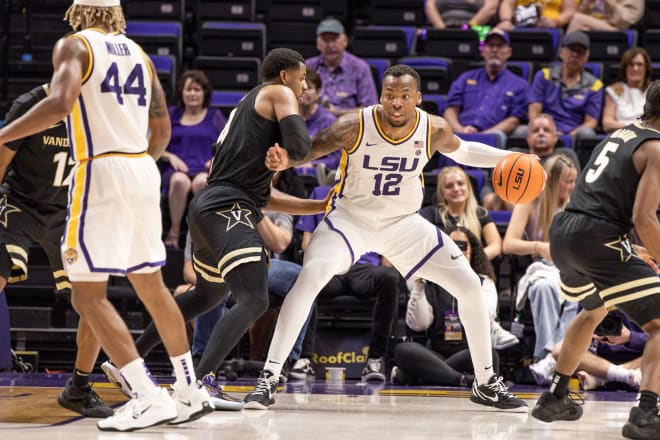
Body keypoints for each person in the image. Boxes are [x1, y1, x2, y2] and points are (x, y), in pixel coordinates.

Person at [244, 64, 528, 411]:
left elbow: (465, 151)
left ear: (418, 99)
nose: (396, 103)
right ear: (380, 96)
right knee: (311, 276)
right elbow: (308, 151)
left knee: (469, 285)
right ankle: (269, 378)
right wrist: (282, 159)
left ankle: (486, 383)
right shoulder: (352, 125)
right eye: (389, 96)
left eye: (404, 97)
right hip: (350, 220)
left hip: (403, 224)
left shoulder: (433, 129)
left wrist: (511, 157)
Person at [0, 0, 214, 431]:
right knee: (152, 288)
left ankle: (148, 393)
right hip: (140, 169)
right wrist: (135, 164)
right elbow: (162, 134)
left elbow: (60, 104)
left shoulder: (74, 46)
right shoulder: (141, 55)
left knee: (86, 296)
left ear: (77, 11)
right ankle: (189, 391)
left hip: (99, 168)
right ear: (115, 14)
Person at [530, 80, 660, 440]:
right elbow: (644, 218)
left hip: (563, 233)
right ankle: (646, 413)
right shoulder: (655, 148)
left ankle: (556, 395)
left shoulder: (620, 134)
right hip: (597, 237)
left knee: (593, 311)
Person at [0, 84, 112, 418]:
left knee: (93, 299)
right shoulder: (30, 105)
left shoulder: (98, 109)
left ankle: (78, 387)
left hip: (69, 209)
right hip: (21, 203)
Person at [293, 185, 404, 382]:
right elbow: (305, 243)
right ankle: (304, 359)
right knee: (307, 278)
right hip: (331, 265)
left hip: (363, 268)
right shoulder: (320, 193)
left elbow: (386, 248)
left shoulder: (375, 197)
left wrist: (391, 263)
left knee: (389, 278)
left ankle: (375, 359)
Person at [418, 168, 518, 349]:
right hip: (439, 269)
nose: (456, 189)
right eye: (449, 186)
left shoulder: (480, 214)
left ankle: (491, 327)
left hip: (472, 269)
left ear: (469, 188)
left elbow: (496, 245)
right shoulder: (430, 214)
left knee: (484, 279)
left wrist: (469, 261)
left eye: (460, 184)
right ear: (442, 192)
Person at [392, 226, 503, 386]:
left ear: (471, 252)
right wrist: (418, 286)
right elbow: (419, 325)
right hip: (434, 353)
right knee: (404, 350)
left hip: (468, 352)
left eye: (462, 247)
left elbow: (486, 317)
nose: (457, 251)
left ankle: (423, 376)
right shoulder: (429, 281)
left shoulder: (484, 282)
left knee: (491, 356)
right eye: (452, 245)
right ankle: (461, 380)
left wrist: (465, 282)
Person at [503, 155, 579, 380]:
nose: (571, 187)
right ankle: (546, 355)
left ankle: (555, 358)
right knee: (542, 288)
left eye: (574, 181)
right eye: (567, 181)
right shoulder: (529, 201)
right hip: (543, 265)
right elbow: (509, 243)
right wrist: (538, 246)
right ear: (552, 180)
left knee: (576, 294)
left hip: (571, 266)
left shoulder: (575, 204)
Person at [160, 69, 226, 249]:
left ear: (204, 93)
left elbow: (228, 144)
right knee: (180, 181)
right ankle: (174, 232)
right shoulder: (172, 113)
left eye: (197, 89)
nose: (192, 94)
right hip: (176, 169)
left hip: (204, 169)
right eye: (188, 89)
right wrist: (169, 156)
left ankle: (203, 235)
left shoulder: (215, 116)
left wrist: (215, 160)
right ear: (181, 92)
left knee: (202, 182)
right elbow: (155, 144)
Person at [443, 29, 528, 144]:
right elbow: (450, 110)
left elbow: (514, 120)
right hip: (460, 134)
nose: (494, 50)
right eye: (490, 45)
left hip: (492, 136)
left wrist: (482, 136)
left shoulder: (519, 85)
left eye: (500, 46)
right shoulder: (466, 78)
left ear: (509, 52)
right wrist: (460, 130)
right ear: (482, 50)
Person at [482, 114, 581, 211]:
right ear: (528, 138)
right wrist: (487, 196)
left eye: (546, 130)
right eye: (535, 130)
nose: (541, 133)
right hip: (516, 203)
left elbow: (575, 185)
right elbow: (490, 184)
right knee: (498, 196)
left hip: (553, 204)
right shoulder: (514, 155)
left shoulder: (565, 156)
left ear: (555, 137)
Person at [525, 31, 603, 139]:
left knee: (587, 134)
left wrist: (569, 137)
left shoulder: (595, 85)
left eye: (580, 52)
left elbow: (591, 122)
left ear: (586, 57)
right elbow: (534, 111)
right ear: (561, 52)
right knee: (521, 131)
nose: (575, 55)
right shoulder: (544, 76)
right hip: (545, 129)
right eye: (571, 50)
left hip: (574, 133)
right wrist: (547, 131)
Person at [556, 310, 645, 391]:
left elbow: (656, 338)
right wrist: (588, 334)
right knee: (560, 349)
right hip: (598, 359)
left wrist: (630, 337)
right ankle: (622, 376)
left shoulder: (651, 299)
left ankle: (604, 377)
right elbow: (580, 326)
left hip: (638, 359)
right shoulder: (591, 296)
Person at [306, 18, 378, 116]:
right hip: (313, 124)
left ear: (345, 41)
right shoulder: (308, 66)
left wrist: (337, 112)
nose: (330, 45)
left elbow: (371, 109)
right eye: (325, 40)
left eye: (334, 39)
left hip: (348, 125)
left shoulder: (360, 68)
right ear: (318, 44)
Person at [296, 69, 340, 183]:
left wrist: (313, 164)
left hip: (316, 177)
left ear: (318, 92)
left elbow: (337, 158)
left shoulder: (329, 121)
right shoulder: (285, 117)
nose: (304, 91)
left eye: (309, 88)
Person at [602, 47, 652, 134]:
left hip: (647, 138)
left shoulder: (654, 92)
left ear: (646, 68)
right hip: (621, 138)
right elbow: (607, 124)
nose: (635, 68)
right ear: (625, 68)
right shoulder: (614, 90)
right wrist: (636, 126)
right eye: (631, 64)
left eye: (639, 64)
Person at [566, 0, 644, 33]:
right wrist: (587, 3)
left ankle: (563, 57)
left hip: (618, 29)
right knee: (582, 29)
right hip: (597, 24)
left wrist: (608, 2)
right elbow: (583, 13)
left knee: (577, 19)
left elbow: (625, 20)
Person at [497, 0, 578, 30]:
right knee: (495, 33)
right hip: (519, 27)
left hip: (550, 29)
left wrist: (555, 22)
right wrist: (505, 20)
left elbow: (569, 11)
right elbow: (507, 3)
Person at [425, 0, 499, 29]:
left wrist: (468, 27)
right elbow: (429, 6)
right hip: (441, 27)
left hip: (475, 29)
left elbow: (490, 8)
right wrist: (442, 29)